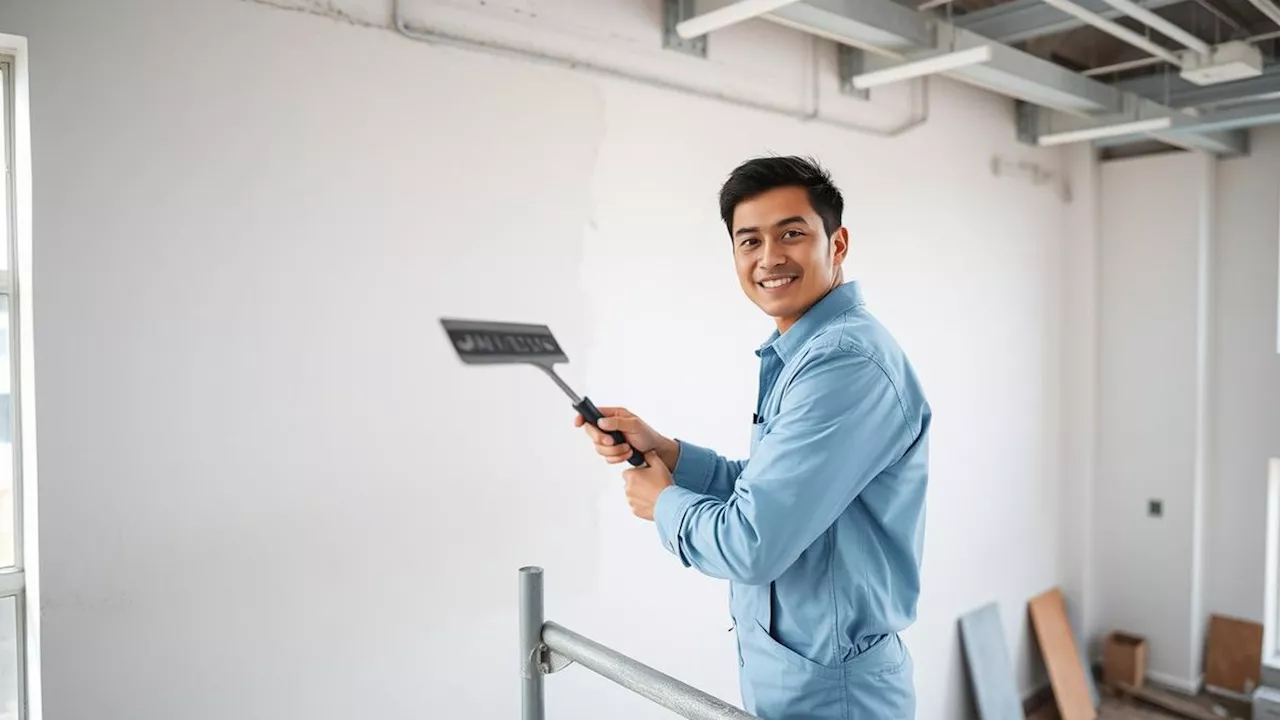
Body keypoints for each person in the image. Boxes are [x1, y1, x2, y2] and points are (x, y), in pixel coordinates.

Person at [574, 155, 930, 720]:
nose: (770, 259)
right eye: (750, 241)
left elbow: (752, 542)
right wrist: (669, 453)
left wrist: (663, 502)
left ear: (836, 245)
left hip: (834, 700)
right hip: (798, 681)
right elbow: (775, 489)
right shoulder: (806, 349)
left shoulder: (843, 362)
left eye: (792, 233)